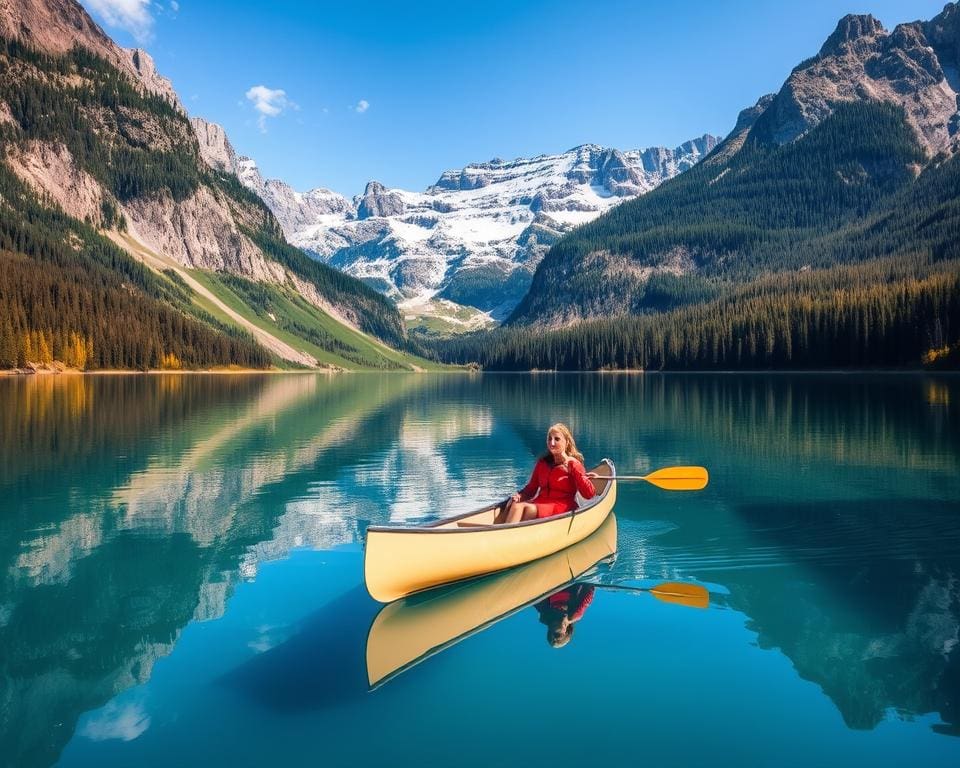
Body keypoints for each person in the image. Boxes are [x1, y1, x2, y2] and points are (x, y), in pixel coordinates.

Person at [499, 423, 596, 524]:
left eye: (557, 439)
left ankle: (505, 535)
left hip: (562, 506)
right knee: (515, 504)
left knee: (522, 507)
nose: (552, 443)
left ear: (566, 442)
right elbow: (531, 489)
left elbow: (589, 494)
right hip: (540, 503)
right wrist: (519, 496)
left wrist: (575, 468)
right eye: (549, 439)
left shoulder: (574, 464)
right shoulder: (542, 463)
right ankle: (513, 534)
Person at [535, 583, 595, 648]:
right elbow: (589, 588)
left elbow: (534, 597)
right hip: (572, 582)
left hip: (554, 582)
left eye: (550, 634)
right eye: (557, 635)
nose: (553, 632)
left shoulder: (546, 614)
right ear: (565, 632)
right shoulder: (575, 614)